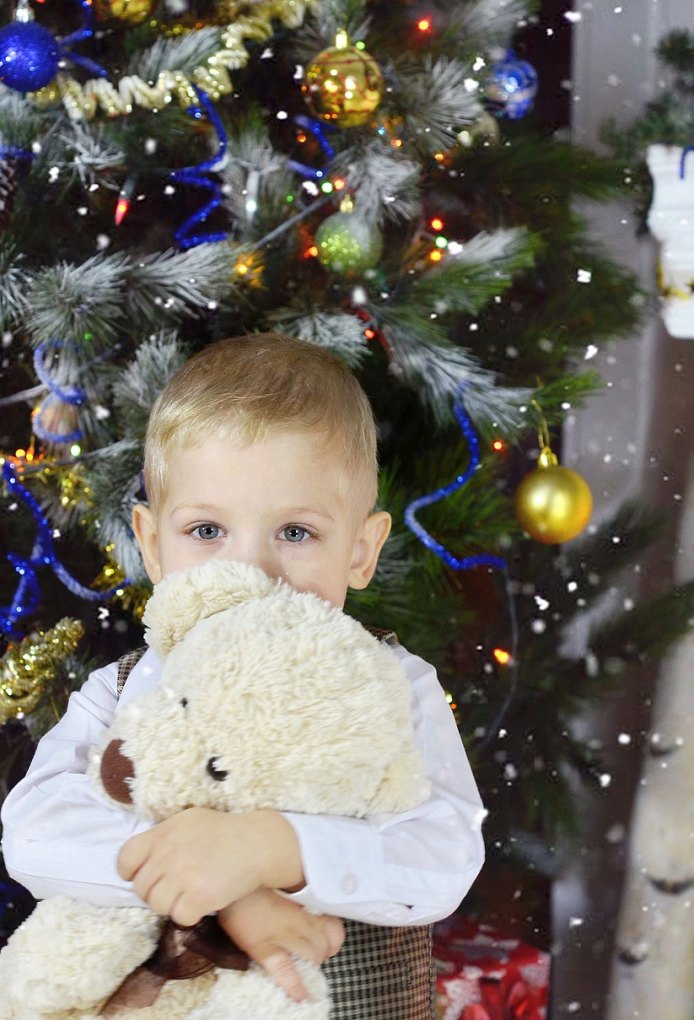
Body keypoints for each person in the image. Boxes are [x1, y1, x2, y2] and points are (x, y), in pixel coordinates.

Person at [1, 333, 486, 1018]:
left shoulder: (390, 684)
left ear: (360, 550)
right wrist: (222, 889)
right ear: (151, 544)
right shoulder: (123, 688)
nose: (251, 570)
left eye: (295, 532)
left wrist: (276, 849)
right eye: (206, 531)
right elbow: (33, 832)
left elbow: (442, 857)